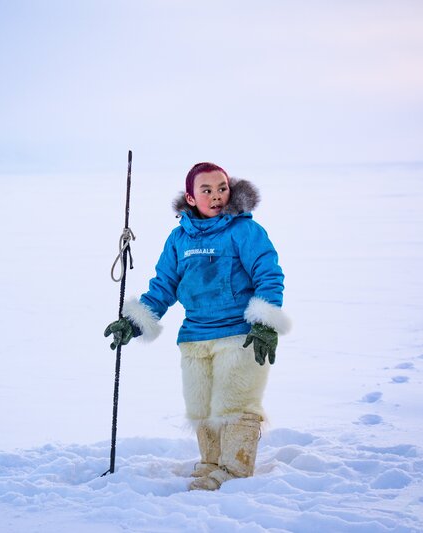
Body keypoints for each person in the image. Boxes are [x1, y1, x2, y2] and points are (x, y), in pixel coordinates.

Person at [104, 162, 291, 491]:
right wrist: (133, 322)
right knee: (202, 407)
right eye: (207, 190)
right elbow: (163, 287)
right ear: (191, 198)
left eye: (222, 188)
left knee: (235, 405)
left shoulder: (245, 231)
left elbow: (268, 274)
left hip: (240, 335)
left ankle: (234, 473)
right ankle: (212, 464)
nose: (217, 196)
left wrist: (265, 323)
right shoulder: (179, 239)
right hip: (195, 336)